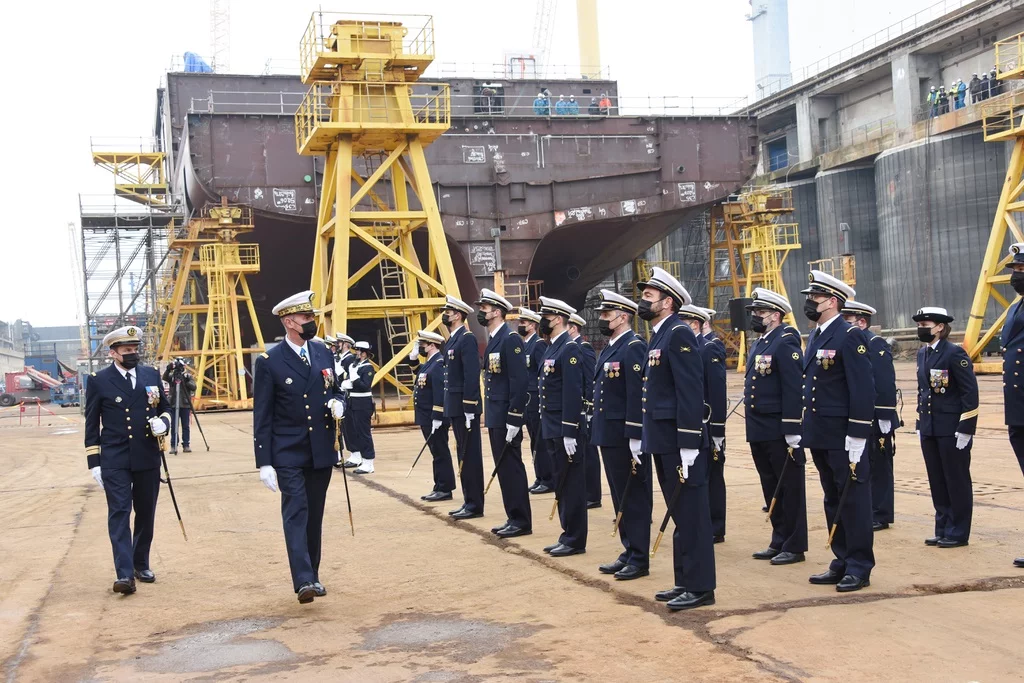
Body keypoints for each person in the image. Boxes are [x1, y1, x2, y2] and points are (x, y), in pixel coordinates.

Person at [253, 291, 346, 604]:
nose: (312, 323)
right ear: (289, 321)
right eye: (306, 318)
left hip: (320, 448)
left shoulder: (322, 353)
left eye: (312, 317)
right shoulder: (269, 362)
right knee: (296, 512)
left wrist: (338, 402)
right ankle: (303, 580)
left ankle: (314, 574)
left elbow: (335, 388)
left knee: (314, 515)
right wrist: (264, 461)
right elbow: (262, 414)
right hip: (288, 451)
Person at [637, 267, 716, 611]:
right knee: (680, 512)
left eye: (649, 296)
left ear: (667, 302)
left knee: (692, 514)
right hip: (663, 437)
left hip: (679, 440)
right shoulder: (660, 334)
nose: (643, 300)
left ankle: (700, 587)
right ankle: (684, 580)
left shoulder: (679, 333)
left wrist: (688, 442)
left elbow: (690, 390)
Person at [801, 270, 875, 593]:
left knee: (853, 500)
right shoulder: (817, 336)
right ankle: (841, 559)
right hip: (820, 433)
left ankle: (859, 565)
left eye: (814, 298)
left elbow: (862, 389)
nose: (809, 302)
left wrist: (858, 434)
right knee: (833, 498)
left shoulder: (849, 335)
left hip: (844, 436)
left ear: (832, 301)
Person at [84, 325, 171, 595]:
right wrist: (94, 462)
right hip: (115, 458)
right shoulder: (99, 380)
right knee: (120, 514)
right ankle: (124, 574)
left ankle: (140, 563)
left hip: (147, 455)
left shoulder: (149, 374)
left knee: (145, 513)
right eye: (126, 350)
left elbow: (165, 407)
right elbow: (91, 424)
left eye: (135, 349)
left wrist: (164, 423)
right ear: (113, 353)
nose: (132, 354)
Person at [744, 288, 808, 566]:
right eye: (755, 312)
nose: (756, 317)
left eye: (760, 312)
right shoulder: (760, 343)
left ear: (775, 315)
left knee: (789, 486)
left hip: (778, 427)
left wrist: (792, 427)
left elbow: (793, 387)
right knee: (770, 485)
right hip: (759, 426)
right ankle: (779, 537)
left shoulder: (785, 341)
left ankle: (794, 544)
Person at [591, 289, 650, 580]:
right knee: (619, 495)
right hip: (609, 433)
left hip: (625, 436)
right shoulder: (612, 346)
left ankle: (639, 556)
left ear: (623, 316)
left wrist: (636, 435)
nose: (602, 319)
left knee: (633, 495)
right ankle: (628, 549)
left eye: (606, 314)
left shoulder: (633, 346)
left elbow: (636, 394)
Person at [913, 307, 978, 549]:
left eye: (925, 323)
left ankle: (958, 531)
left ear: (940, 326)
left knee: (956, 480)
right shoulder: (922, 354)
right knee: (937, 480)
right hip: (930, 427)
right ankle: (943, 528)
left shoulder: (954, 353)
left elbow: (969, 393)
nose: (921, 328)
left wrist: (967, 427)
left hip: (952, 429)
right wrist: (920, 423)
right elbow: (924, 392)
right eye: (919, 324)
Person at [476, 289, 532, 538]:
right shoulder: (494, 339)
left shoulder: (510, 340)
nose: (481, 312)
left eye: (484, 309)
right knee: (504, 467)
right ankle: (513, 516)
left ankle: (521, 520)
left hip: (506, 415)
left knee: (511, 467)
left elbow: (519, 380)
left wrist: (515, 416)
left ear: (496, 312)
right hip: (496, 414)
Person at [841, 301, 898, 531]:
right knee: (864, 464)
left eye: (847, 321)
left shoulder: (875, 344)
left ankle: (881, 513)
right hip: (860, 416)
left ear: (861, 322)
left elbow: (884, 382)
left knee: (879, 465)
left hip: (877, 417)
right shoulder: (855, 342)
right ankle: (869, 508)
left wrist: (885, 415)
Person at [538, 296, 587, 557]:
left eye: (545, 317)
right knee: (561, 482)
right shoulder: (552, 347)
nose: (541, 322)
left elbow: (572, 391)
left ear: (558, 319)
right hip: (552, 424)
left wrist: (570, 429)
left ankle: (575, 538)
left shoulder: (569, 348)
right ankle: (567, 534)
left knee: (571, 483)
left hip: (563, 426)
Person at [679, 305, 727, 544]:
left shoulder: (707, 348)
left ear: (695, 324)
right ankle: (704, 522)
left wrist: (718, 430)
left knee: (712, 476)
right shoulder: (686, 347)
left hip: (707, 423)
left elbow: (717, 392)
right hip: (691, 422)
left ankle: (716, 526)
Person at [442, 295, 485, 520]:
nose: (444, 315)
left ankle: (475, 503)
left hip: (464, 406)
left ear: (457, 315)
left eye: (447, 312)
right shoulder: (452, 339)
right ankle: (468, 500)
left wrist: (470, 406)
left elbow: (470, 374)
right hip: (455, 406)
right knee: (462, 453)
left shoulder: (466, 338)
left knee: (470, 455)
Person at [408, 330, 455, 502]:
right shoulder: (430, 363)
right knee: (436, 452)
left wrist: (437, 416)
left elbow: (439, 393)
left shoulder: (438, 364)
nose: (420, 347)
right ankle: (439, 485)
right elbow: (419, 374)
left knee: (440, 451)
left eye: (422, 345)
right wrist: (413, 358)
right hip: (426, 416)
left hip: (433, 417)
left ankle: (445, 488)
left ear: (431, 345)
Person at [1002, 244, 1024, 567]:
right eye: (1015, 271)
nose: (1016, 277)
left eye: (1021, 271)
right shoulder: (1013, 310)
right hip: (1018, 412)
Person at [519, 307, 555, 494]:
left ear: (532, 325)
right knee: (533, 440)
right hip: (527, 398)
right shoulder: (525, 344)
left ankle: (548, 479)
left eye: (523, 323)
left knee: (540, 440)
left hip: (535, 398)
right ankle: (540, 476)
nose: (520, 326)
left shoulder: (538, 344)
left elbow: (543, 373)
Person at [568, 312, 601, 508]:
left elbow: (589, 379)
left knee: (589, 453)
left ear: (573, 328)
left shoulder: (584, 348)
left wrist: (589, 407)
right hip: (576, 410)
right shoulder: (569, 347)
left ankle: (593, 495)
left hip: (585, 409)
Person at [340, 341, 377, 474]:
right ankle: (359, 457)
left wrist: (354, 379)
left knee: (363, 432)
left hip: (362, 404)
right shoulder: (356, 366)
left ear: (365, 353)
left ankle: (368, 461)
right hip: (353, 402)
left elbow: (365, 385)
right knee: (353, 430)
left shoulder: (368, 368)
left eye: (359, 351)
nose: (356, 353)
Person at [333, 333, 358, 469]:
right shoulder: (341, 358)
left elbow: (349, 377)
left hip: (347, 395)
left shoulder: (349, 359)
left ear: (346, 345)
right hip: (341, 395)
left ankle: (356, 454)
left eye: (339, 343)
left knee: (350, 427)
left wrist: (340, 371)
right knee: (344, 427)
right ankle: (352, 453)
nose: (337, 345)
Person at [162, 359, 197, 454]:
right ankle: (173, 445)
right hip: (173, 404)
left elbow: (194, 387)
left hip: (185, 405)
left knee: (185, 426)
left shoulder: (187, 376)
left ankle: (186, 445)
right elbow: (165, 378)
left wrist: (186, 380)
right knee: (173, 426)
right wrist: (168, 370)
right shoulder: (173, 377)